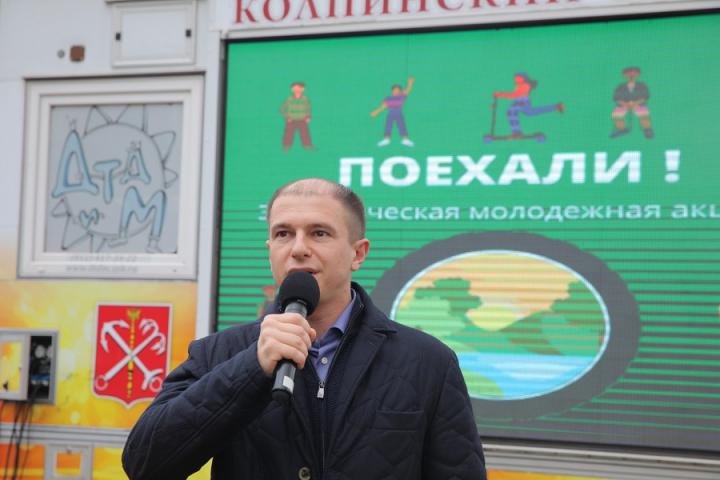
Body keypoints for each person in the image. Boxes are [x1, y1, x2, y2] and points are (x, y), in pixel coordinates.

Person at [122, 178, 487, 479]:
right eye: (283, 233)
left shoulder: (428, 362)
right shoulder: (219, 353)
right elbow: (144, 464)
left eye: (319, 233)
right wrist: (251, 368)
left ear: (358, 253)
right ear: (270, 248)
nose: (298, 248)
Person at [493, 73, 564, 137]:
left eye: (518, 78)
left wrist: (500, 94)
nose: (516, 79)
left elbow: (515, 95)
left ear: (523, 78)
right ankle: (556, 107)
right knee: (529, 112)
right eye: (515, 78)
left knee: (512, 110)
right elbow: (515, 95)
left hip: (523, 103)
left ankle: (516, 132)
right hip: (519, 102)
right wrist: (499, 94)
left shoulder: (525, 85)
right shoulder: (519, 85)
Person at [610, 66, 653, 139]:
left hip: (638, 104)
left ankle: (647, 129)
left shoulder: (642, 85)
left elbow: (645, 96)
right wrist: (625, 104)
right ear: (625, 75)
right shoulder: (621, 86)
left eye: (634, 73)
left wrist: (635, 103)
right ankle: (622, 129)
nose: (631, 75)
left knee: (644, 114)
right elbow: (616, 97)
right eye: (629, 73)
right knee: (616, 115)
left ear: (638, 75)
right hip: (624, 104)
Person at [371, 77, 415, 147]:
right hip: (390, 113)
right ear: (392, 91)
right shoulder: (388, 98)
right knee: (388, 125)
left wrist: (410, 83)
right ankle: (386, 139)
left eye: (398, 90)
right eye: (394, 90)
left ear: (400, 91)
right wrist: (376, 112)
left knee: (401, 125)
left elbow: (408, 90)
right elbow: (383, 106)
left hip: (399, 113)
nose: (396, 91)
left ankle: (405, 139)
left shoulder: (402, 96)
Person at [281, 82, 316, 151]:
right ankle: (286, 146)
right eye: (294, 88)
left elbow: (308, 108)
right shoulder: (289, 99)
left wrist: (308, 116)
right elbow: (282, 109)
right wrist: (287, 117)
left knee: (305, 133)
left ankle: (307, 146)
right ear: (292, 89)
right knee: (288, 134)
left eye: (299, 88)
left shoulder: (305, 99)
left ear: (303, 89)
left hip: (302, 120)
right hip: (291, 120)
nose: (297, 90)